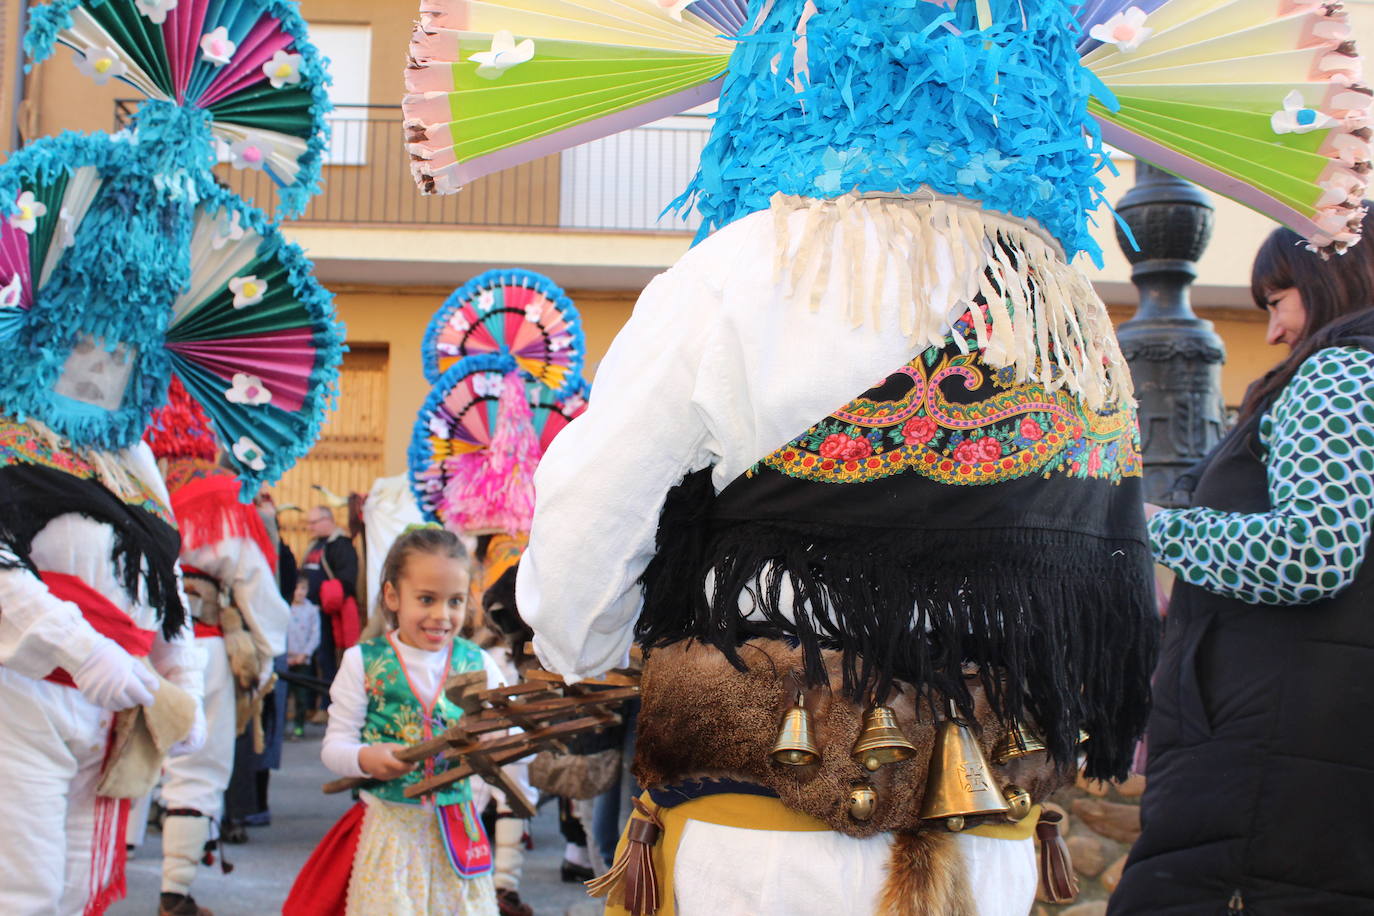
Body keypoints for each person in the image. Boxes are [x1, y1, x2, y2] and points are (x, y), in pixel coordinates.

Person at [1112, 211, 1374, 914]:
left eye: (1279, 300)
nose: (1275, 331)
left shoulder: (1340, 372)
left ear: (1333, 279)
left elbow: (1311, 550)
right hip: (1312, 749)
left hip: (1269, 757)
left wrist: (1148, 526)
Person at [145, 383, 290, 916]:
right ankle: (175, 892)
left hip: (125, 643)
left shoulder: (128, 474)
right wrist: (269, 653)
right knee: (196, 770)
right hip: (198, 647)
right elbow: (251, 576)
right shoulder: (221, 491)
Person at [307, 526, 501, 916]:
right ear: (393, 596)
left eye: (455, 601)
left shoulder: (479, 663)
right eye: (426, 599)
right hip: (389, 831)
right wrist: (365, 758)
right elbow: (334, 747)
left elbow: (501, 735)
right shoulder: (363, 661)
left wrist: (493, 752)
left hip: (457, 832)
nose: (441, 616)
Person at [302, 505, 359, 712]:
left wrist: (329, 597)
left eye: (313, 522)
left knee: (326, 659)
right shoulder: (314, 545)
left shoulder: (341, 545)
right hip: (307, 612)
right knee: (309, 660)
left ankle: (328, 707)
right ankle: (309, 706)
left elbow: (347, 580)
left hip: (327, 614)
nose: (310, 527)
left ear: (328, 520)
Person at [286, 579, 321, 739]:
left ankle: (299, 726)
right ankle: (280, 727)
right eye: (296, 588)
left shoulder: (311, 610)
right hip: (286, 658)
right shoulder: (285, 607)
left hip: (302, 659)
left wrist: (305, 654)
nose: (299, 592)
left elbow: (315, 635)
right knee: (283, 695)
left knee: (301, 695)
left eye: (303, 588)